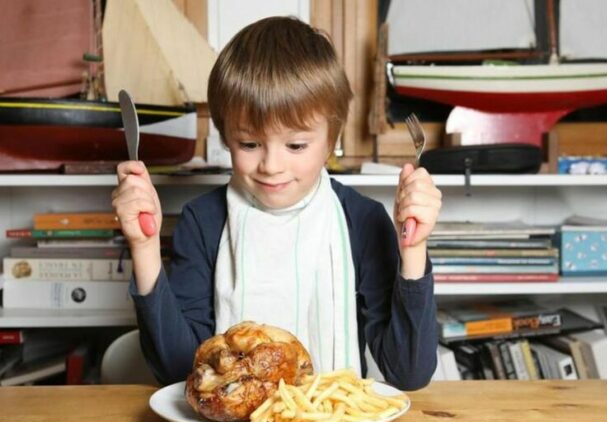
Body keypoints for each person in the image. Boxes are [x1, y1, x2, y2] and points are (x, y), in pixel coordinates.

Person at [112, 16, 442, 390]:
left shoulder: (362, 221)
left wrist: (413, 249)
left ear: (331, 136)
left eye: (296, 145)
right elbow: (178, 373)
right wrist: (143, 247)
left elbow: (409, 373)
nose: (271, 166)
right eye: (249, 144)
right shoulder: (203, 222)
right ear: (225, 136)